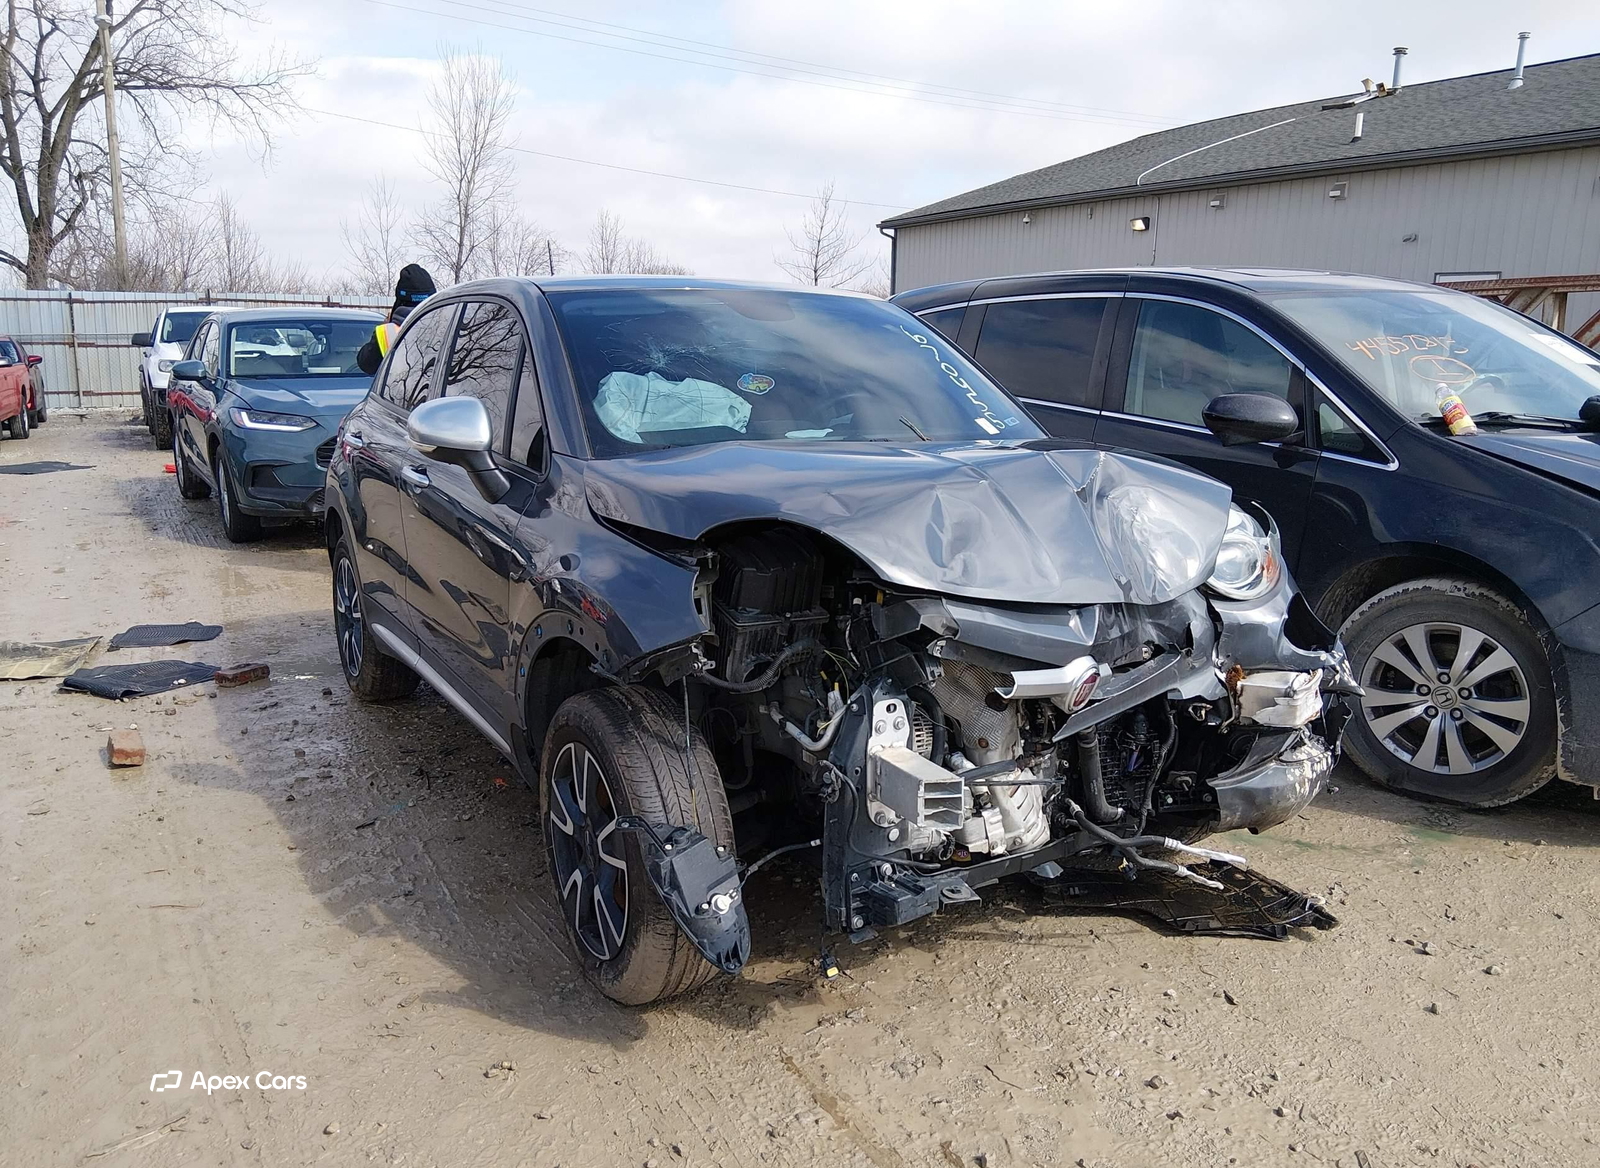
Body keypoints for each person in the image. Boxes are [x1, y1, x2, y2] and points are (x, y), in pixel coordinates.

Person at [357, 264, 437, 375]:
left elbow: (366, 364)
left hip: (399, 390)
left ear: (399, 300)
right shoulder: (448, 325)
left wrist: (388, 325)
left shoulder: (386, 332)